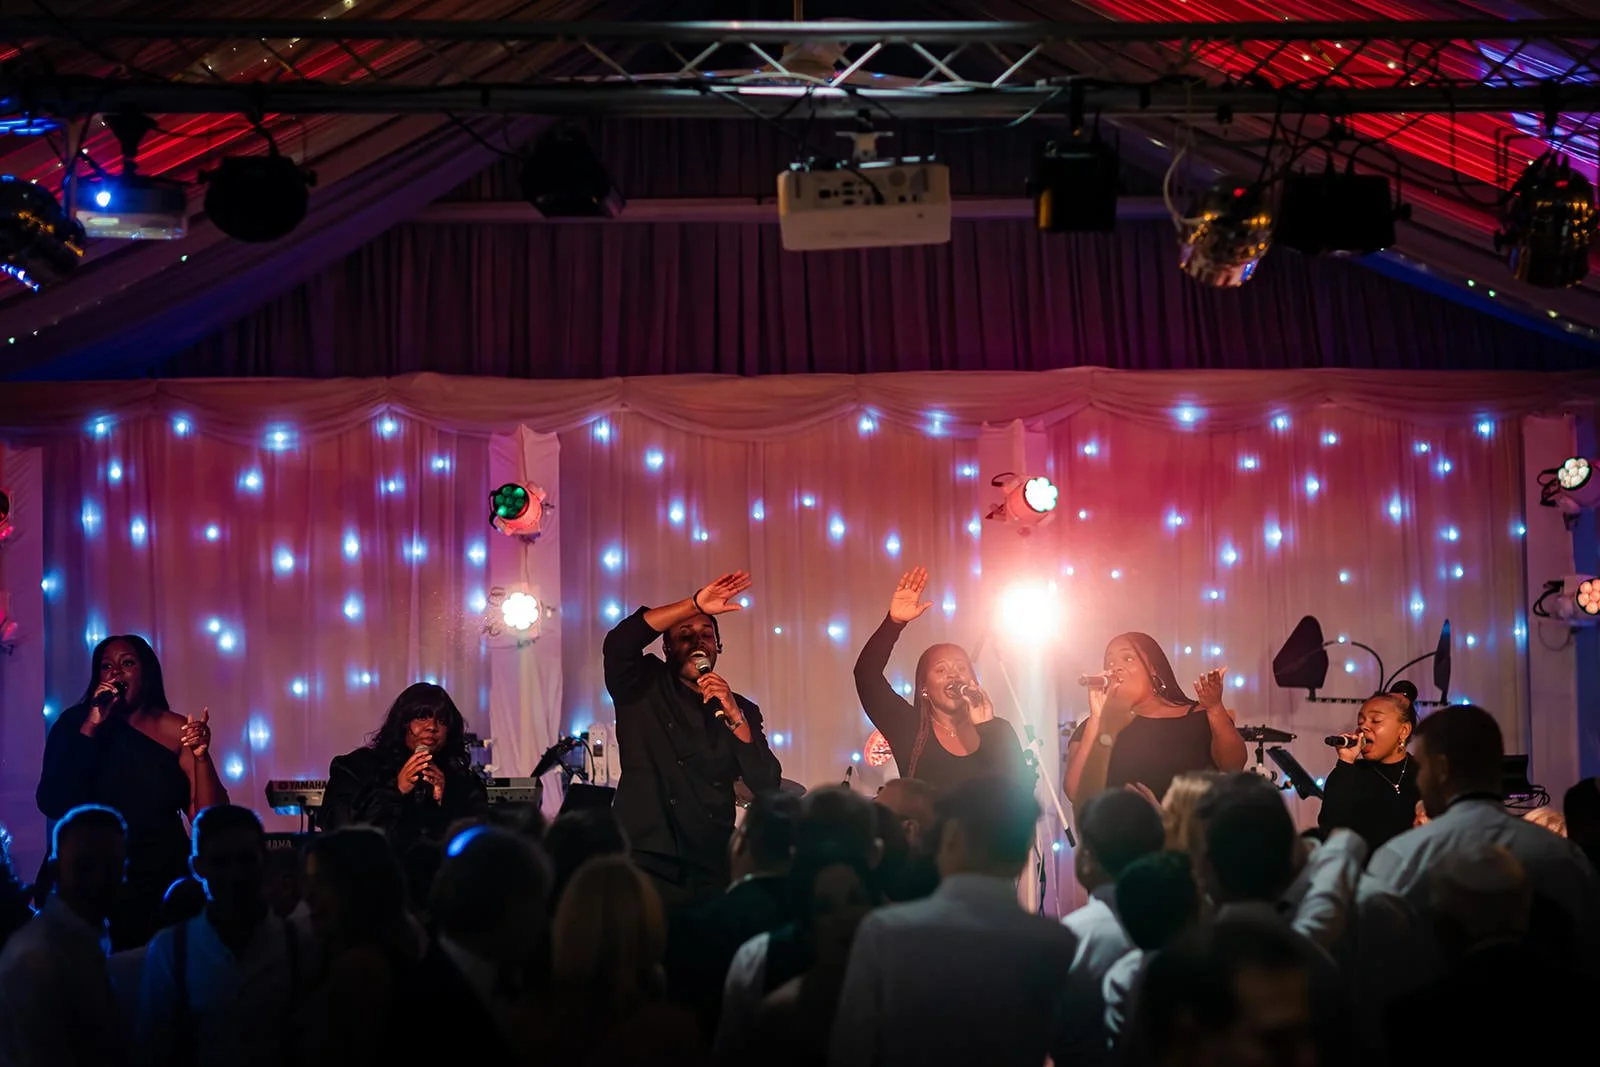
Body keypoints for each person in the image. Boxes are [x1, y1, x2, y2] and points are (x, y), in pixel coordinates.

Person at [828, 777, 1080, 1067]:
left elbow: (851, 1049)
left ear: (953, 838)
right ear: (1024, 851)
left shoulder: (885, 932)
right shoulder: (1056, 943)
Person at [1365, 704, 1600, 969]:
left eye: (1421, 768)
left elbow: (1377, 966)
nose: (1418, 781)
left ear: (1441, 769)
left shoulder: (1401, 857)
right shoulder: (1563, 855)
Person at [603, 571, 783, 907]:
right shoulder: (642, 684)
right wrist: (695, 603)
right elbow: (619, 643)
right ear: (667, 647)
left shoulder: (740, 708)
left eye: (705, 634)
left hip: (710, 855)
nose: (697, 641)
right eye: (684, 634)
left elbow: (766, 782)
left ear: (718, 646)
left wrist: (735, 718)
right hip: (649, 851)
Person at [36, 635, 228, 949]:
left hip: (159, 877)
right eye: (106, 667)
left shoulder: (177, 729)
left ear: (145, 672)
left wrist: (201, 756)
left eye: (127, 663)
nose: (116, 673)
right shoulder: (74, 724)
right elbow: (53, 801)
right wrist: (91, 727)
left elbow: (208, 819)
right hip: (93, 874)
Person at [135, 805, 297, 1067]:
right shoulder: (297, 943)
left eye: (245, 860)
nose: (234, 876)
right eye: (220, 862)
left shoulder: (171, 950)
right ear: (198, 867)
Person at [852, 567, 1026, 792]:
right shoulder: (908, 728)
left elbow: (1020, 795)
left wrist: (987, 729)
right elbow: (867, 675)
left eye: (961, 668)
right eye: (941, 670)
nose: (954, 674)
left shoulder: (998, 730)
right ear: (924, 689)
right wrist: (893, 623)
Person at [0, 805, 129, 1067]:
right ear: (56, 870)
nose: (99, 879)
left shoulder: (63, 944)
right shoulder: (36, 960)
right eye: (84, 867)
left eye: (111, 866)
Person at [1065, 632, 1246, 809]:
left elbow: (1233, 765)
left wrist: (1214, 708)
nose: (1115, 668)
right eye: (1109, 662)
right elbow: (1075, 792)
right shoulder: (1097, 725)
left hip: (1186, 836)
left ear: (1153, 668)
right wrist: (1097, 719)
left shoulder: (1199, 717)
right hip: (1120, 836)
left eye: (1127, 658)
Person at [321, 682, 488, 855]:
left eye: (442, 721)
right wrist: (395, 790)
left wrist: (444, 801)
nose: (432, 727)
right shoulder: (357, 767)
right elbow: (340, 827)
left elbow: (478, 843)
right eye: (422, 717)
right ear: (402, 723)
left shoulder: (463, 780)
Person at [1317, 690, 1422, 850]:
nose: (1364, 727)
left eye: (1376, 720)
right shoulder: (1350, 773)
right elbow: (1329, 826)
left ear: (1403, 731)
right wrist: (1345, 762)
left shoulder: (1424, 774)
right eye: (1360, 722)